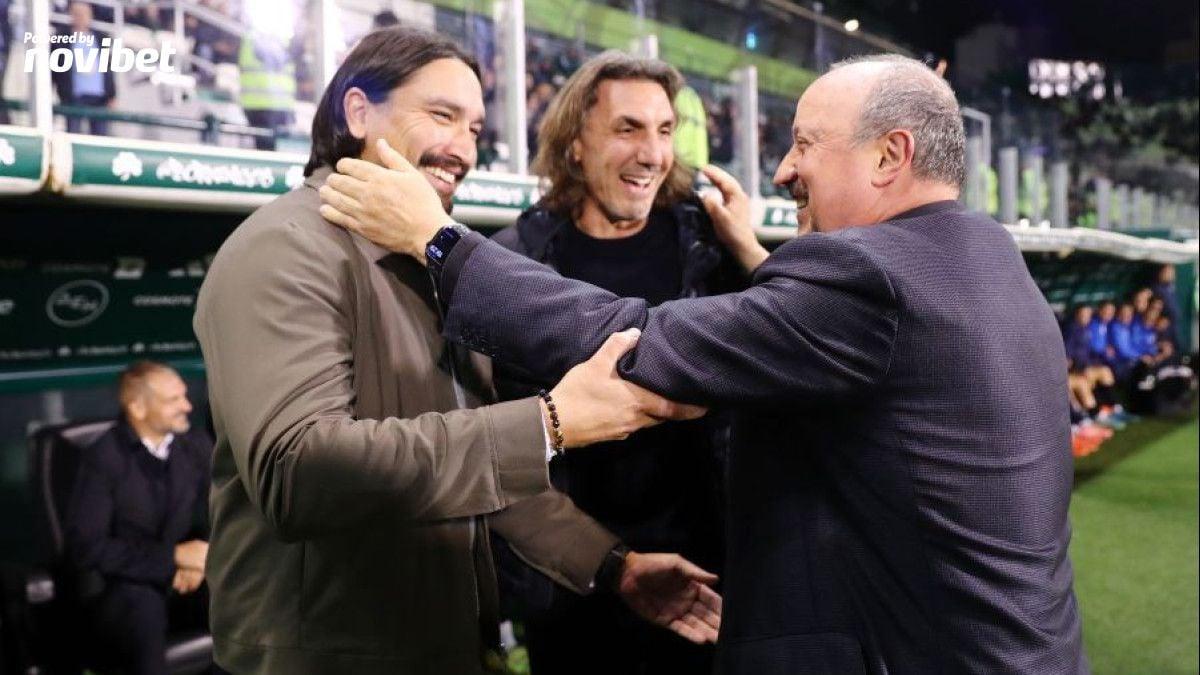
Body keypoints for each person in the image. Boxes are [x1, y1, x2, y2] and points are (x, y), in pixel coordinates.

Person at [321, 53, 1087, 673]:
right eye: (627, 127)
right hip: (592, 595)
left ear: (890, 155)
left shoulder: (863, 278)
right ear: (575, 141)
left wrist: (441, 243)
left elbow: (642, 340)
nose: (783, 170)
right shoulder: (988, 258)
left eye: (805, 144)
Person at [195, 26, 719, 674]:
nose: (463, 148)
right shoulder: (285, 247)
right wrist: (549, 423)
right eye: (442, 115)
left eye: (474, 128)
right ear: (358, 112)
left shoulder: (432, 263)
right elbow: (298, 472)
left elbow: (482, 476)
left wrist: (615, 565)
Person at [488, 51, 741, 674]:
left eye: (664, 130)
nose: (652, 153)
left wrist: (753, 253)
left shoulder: (710, 250)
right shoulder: (517, 263)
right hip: (573, 586)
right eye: (628, 128)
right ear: (575, 144)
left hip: (708, 581)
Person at [64, 361, 212, 675]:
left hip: (184, 583)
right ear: (138, 408)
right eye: (173, 400)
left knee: (234, 589)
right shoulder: (104, 457)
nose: (187, 406)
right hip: (122, 591)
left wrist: (202, 561)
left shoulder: (195, 445)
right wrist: (172, 558)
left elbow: (218, 513)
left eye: (185, 396)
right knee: (141, 605)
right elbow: (88, 547)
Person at [51, 2, 116, 136]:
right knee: (73, 134)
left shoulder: (100, 38)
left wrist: (112, 94)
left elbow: (108, 69)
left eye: (84, 14)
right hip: (74, 97)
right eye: (77, 14)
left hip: (99, 97)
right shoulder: (61, 39)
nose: (81, 18)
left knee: (100, 136)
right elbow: (55, 69)